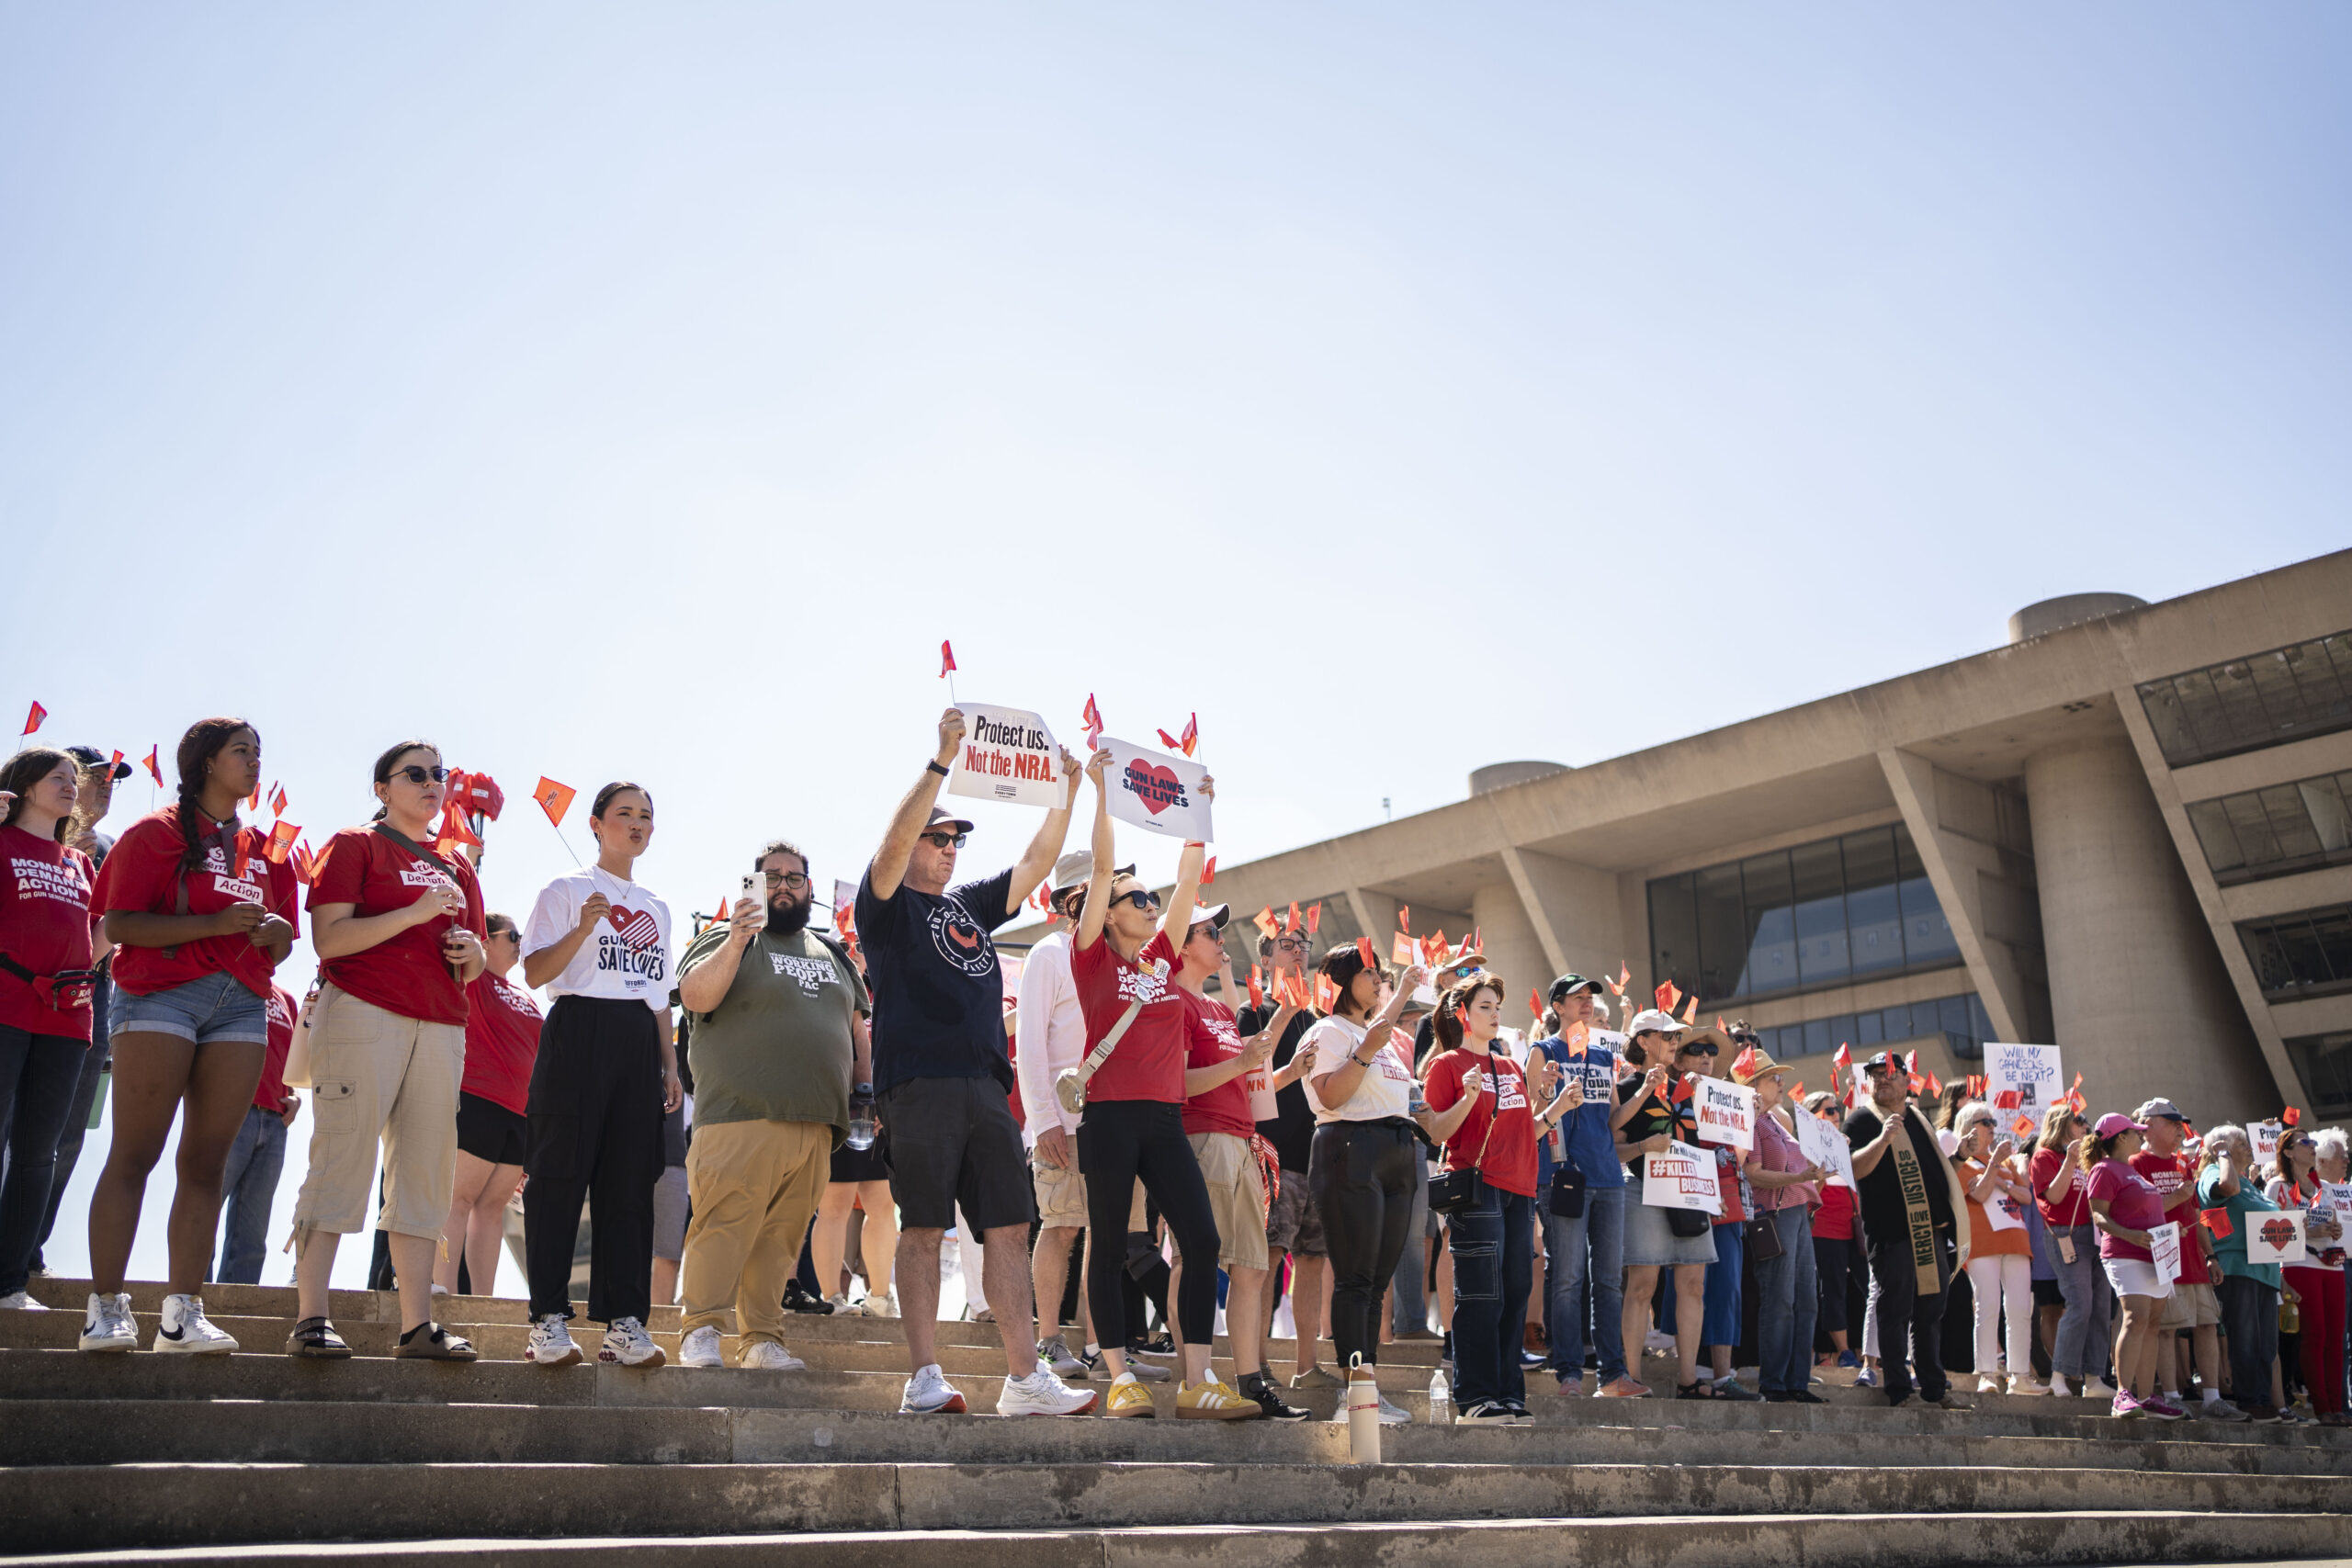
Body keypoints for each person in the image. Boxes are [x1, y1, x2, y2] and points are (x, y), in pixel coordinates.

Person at [854, 710, 1091, 1417]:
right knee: (924, 1227)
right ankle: (924, 1374)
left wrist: (1066, 797)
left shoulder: (969, 905)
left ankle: (1025, 1378)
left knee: (1010, 1229)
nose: (952, 846)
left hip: (986, 1088)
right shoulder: (886, 905)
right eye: (941, 834)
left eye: (958, 836)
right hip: (917, 1085)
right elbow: (894, 843)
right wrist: (940, 762)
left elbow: (1036, 865)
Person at [83, 718, 297, 1353]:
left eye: (259, 752)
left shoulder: (268, 847)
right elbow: (118, 922)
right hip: (161, 994)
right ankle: (105, 1307)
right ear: (205, 762)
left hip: (243, 1005)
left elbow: (284, 944)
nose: (255, 762)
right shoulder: (157, 833)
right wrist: (213, 924)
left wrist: (275, 933)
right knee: (137, 1152)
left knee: (204, 1164)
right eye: (241, 752)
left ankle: (182, 1314)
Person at [1066, 751, 1253, 1419]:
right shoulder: (1090, 958)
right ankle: (1118, 1374)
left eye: (1150, 900)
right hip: (1110, 1118)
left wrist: (1199, 812)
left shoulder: (1159, 960)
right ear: (1109, 914)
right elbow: (1097, 869)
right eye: (1135, 899)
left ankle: (1197, 1378)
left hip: (1164, 1118)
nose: (1150, 906)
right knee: (1110, 1242)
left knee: (1201, 1241)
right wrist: (1099, 793)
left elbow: (1185, 878)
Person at [289, 739, 485, 1360]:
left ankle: (416, 1325)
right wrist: (415, 911)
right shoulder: (355, 844)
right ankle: (311, 1317)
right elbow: (330, 938)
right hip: (363, 1012)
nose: (433, 784)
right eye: (417, 774)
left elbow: (477, 953)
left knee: (425, 1174)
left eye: (440, 775)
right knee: (341, 1157)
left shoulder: (459, 864)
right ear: (383, 788)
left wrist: (472, 955)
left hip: (440, 1024)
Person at [672, 839, 872, 1371]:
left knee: (781, 1237)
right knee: (723, 1225)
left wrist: (865, 1096)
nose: (785, 885)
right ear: (754, 884)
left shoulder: (833, 953)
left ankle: (762, 1337)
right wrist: (738, 938)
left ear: (809, 888)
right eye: (772, 877)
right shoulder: (722, 937)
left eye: (795, 878)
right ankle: (701, 1331)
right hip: (740, 1114)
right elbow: (695, 996)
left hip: (818, 1122)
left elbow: (857, 1028)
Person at [516, 781, 680, 1369]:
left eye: (645, 816)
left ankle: (625, 1322)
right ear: (595, 823)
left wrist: (669, 1063)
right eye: (624, 814)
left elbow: (659, 995)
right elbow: (534, 972)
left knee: (630, 1184)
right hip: (577, 1029)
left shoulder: (656, 906)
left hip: (638, 1039)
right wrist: (583, 928)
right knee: (558, 1177)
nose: (636, 825)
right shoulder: (564, 890)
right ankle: (548, 1319)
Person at [1169, 902, 1309, 1419]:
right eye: (1210, 931)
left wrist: (1288, 1019)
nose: (1221, 939)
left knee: (1250, 1268)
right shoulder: (1175, 1002)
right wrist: (1242, 1061)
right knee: (1192, 1261)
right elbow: (1177, 1085)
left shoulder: (1216, 1010)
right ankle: (1195, 1380)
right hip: (1201, 1141)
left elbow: (1248, 1077)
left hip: (1243, 1142)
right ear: (1183, 944)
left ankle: (1251, 1382)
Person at [1422, 973, 1576, 1423]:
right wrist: (1468, 1098)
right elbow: (1436, 1131)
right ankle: (1474, 1397)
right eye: (1485, 1006)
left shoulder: (1509, 1066)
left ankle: (1509, 1394)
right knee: (1481, 1295)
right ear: (1463, 1015)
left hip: (1520, 1190)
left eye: (1496, 1007)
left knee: (1513, 1292)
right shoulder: (1447, 1065)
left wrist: (1556, 1109)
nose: (1494, 1014)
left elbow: (1524, 1133)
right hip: (1476, 1186)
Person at [0, 748, 107, 1311]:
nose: (72, 786)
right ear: (22, 786)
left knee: (39, 1151)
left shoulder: (82, 864)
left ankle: (10, 1282)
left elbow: (93, 946)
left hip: (68, 1018)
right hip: (4, 1006)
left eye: (74, 779)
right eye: (57, 777)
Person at [1012, 852, 1123, 1375]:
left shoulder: (1124, 961)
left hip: (1118, 1120)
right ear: (1074, 900)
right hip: (1064, 1122)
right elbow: (1029, 1045)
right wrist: (1045, 1121)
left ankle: (1104, 1348)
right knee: (1061, 1228)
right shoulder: (1048, 953)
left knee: (1109, 1235)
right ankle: (1051, 1339)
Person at [26, 745, 129, 1283]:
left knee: (65, 1135)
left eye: (115, 778)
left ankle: (27, 1249)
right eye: (95, 775)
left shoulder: (113, 848)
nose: (108, 784)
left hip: (92, 999)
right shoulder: (15, 832)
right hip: (19, 993)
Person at [1531, 975, 1642, 1399]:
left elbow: (1612, 1119)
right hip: (1562, 1176)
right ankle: (1569, 1373)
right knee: (1568, 1277)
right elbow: (1533, 1115)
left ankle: (1613, 1375)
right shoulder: (1544, 1051)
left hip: (1609, 1178)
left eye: (1589, 997)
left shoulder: (1601, 1055)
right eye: (1577, 998)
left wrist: (1642, 1094)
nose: (1586, 1003)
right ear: (1558, 1006)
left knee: (1610, 1279)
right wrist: (1548, 1090)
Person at [1846, 1050, 1972, 1410]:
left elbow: (1935, 1171)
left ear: (1906, 1079)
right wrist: (1883, 1140)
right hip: (1892, 1235)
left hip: (1929, 1234)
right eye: (1874, 1074)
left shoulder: (1918, 1118)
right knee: (1895, 1310)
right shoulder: (1861, 1121)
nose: (1881, 1078)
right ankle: (1899, 1391)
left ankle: (1934, 1388)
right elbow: (1853, 1169)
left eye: (1889, 1072)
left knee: (1931, 1312)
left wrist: (1960, 1157)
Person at [1240, 924, 1329, 1389]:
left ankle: (1307, 1367)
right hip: (1271, 1156)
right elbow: (1248, 1076)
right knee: (1268, 1259)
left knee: (1312, 1261)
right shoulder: (1252, 1010)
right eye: (1287, 946)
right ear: (1267, 959)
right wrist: (1291, 1067)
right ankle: (1256, 1366)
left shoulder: (1320, 1019)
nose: (1298, 953)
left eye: (1304, 946)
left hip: (1317, 1158)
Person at [435, 913, 541, 1298]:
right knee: (458, 1199)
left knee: (493, 1209)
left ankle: (482, 1300)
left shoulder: (527, 996)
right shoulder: (473, 978)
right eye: (511, 935)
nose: (519, 941)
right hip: (477, 1100)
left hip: (520, 1114)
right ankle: (442, 1290)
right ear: (486, 941)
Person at [1616, 1010, 1712, 1399]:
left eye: (1677, 1037)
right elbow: (1612, 1148)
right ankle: (1632, 1378)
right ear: (1643, 1041)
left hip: (1690, 1190)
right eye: (1666, 1035)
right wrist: (1643, 1146)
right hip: (1641, 1189)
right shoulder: (1624, 1088)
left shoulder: (1687, 1087)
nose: (1675, 1042)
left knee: (1692, 1285)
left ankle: (1688, 1380)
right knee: (1642, 1285)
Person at [2132, 1098, 2243, 1420]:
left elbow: (2197, 1214)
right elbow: (2135, 1213)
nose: (2179, 1130)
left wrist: (2211, 1256)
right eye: (2171, 1122)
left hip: (2193, 1260)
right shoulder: (2136, 1163)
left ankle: (2212, 1398)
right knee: (2166, 1329)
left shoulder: (2183, 1164)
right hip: (2161, 1260)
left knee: (2208, 1324)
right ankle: (2171, 1396)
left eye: (2179, 1122)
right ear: (2148, 1126)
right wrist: (2174, 1198)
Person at [1736, 1046, 1825, 1404]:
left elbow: (1797, 1172)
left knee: (1806, 1300)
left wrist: (1819, 1171)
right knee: (1780, 1300)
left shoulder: (1774, 1120)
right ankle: (1774, 1382)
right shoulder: (1751, 1120)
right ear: (1754, 1084)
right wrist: (1803, 1175)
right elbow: (1752, 1173)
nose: (1781, 1081)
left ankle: (1797, 1382)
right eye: (1774, 1077)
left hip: (1798, 1212)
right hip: (1774, 1214)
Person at [1677, 1024, 1760, 1401]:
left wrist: (1752, 1118)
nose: (1705, 1057)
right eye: (1696, 1050)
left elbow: (1740, 1158)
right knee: (1689, 1290)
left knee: (1726, 1288)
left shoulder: (1732, 1097)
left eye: (1710, 1052)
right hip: (1689, 1198)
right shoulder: (1670, 1092)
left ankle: (1724, 1377)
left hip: (1728, 1202)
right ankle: (1689, 1375)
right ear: (1680, 1059)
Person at [2081, 1112, 2180, 1419]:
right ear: (2121, 1138)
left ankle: (2147, 1396)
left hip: (2156, 1256)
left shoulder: (2132, 1170)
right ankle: (2122, 1395)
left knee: (2151, 1323)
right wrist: (2129, 1234)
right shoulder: (2104, 1169)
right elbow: (2098, 1216)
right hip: (2125, 1253)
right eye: (2135, 1132)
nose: (2141, 1136)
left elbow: (2147, 1211)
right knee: (2136, 1318)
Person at [2194, 1125, 2287, 1421]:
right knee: (2246, 1338)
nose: (2249, 1147)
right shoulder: (2214, 1171)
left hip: (2265, 1271)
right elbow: (2226, 1189)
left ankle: (2262, 1398)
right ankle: (2250, 1400)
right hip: (2239, 1268)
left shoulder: (2248, 1181)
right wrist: (2221, 1154)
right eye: (2242, 1143)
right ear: (2223, 1147)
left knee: (2267, 1343)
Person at [212, 982, 301, 1284]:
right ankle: (192, 1301)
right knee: (202, 1210)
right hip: (231, 1112)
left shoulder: (286, 998)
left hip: (275, 1123)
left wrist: (295, 1096)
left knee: (253, 1230)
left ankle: (237, 1309)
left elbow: (291, 1056)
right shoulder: (229, 982)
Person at [2028, 1100, 2113, 1398]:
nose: (2085, 1127)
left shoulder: (2086, 1158)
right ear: (2063, 1123)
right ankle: (2060, 1376)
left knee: (2101, 1307)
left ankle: (2094, 1378)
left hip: (2094, 1236)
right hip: (2066, 1236)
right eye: (2079, 1121)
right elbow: (2054, 1195)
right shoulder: (2044, 1156)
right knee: (2079, 1304)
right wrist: (2069, 1161)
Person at [1951, 1101, 2036, 1395]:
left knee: (2020, 1309)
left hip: (2015, 1240)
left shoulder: (2006, 1162)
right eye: (1982, 1121)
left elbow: (2026, 1196)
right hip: (1983, 1243)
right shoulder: (1961, 1162)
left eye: (1991, 1122)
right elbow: (1979, 1193)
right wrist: (1996, 1170)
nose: (1990, 1126)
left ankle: (2020, 1375)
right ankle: (1986, 1373)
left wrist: (2005, 1179)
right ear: (1966, 1127)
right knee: (1987, 1306)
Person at [2267, 1125, 2346, 1426]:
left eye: (2314, 1141)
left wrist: (2335, 1230)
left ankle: (2338, 1407)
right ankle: (2322, 1407)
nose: (2313, 1146)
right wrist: (2306, 1231)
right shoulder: (2278, 1186)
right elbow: (2269, 1233)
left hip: (2332, 1266)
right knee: (2316, 1334)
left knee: (2336, 1338)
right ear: (2288, 1152)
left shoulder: (2322, 1187)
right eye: (2305, 1142)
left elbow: (2334, 1223)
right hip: (2300, 1264)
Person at [1804, 1089, 1860, 1379]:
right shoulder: (1807, 1149)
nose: (1835, 1116)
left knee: (1863, 1289)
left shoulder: (1845, 1144)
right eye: (1828, 1111)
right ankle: (1844, 1351)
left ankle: (1863, 1351)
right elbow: (1813, 1195)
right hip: (1826, 1230)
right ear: (1811, 1116)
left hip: (1855, 1229)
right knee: (1833, 1290)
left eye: (1836, 1109)